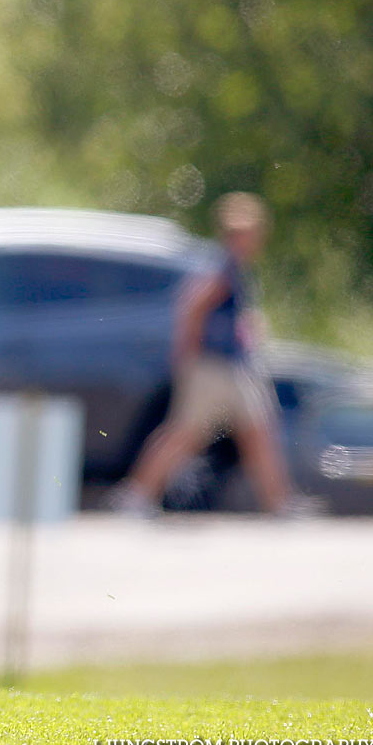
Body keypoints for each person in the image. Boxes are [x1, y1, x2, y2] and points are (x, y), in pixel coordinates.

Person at [113, 192, 291, 516]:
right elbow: (192, 307)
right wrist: (189, 358)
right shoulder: (223, 265)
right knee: (185, 433)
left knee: (258, 431)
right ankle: (135, 496)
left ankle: (279, 504)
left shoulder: (232, 265)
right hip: (213, 367)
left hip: (231, 366)